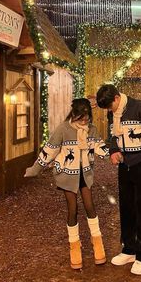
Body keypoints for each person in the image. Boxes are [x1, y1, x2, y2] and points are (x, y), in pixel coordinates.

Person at [25, 98, 109, 270]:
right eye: (81, 118)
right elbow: (49, 150)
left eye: (87, 117)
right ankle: (74, 246)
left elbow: (99, 146)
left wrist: (113, 154)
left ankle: (97, 243)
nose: (84, 121)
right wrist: (35, 169)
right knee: (73, 209)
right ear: (74, 115)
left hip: (85, 174)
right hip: (67, 175)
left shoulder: (91, 130)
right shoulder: (63, 129)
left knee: (90, 206)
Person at [96, 84, 141, 275]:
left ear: (116, 98)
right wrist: (114, 151)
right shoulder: (113, 114)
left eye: (109, 106)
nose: (109, 111)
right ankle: (129, 249)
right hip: (125, 166)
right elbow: (112, 135)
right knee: (126, 208)